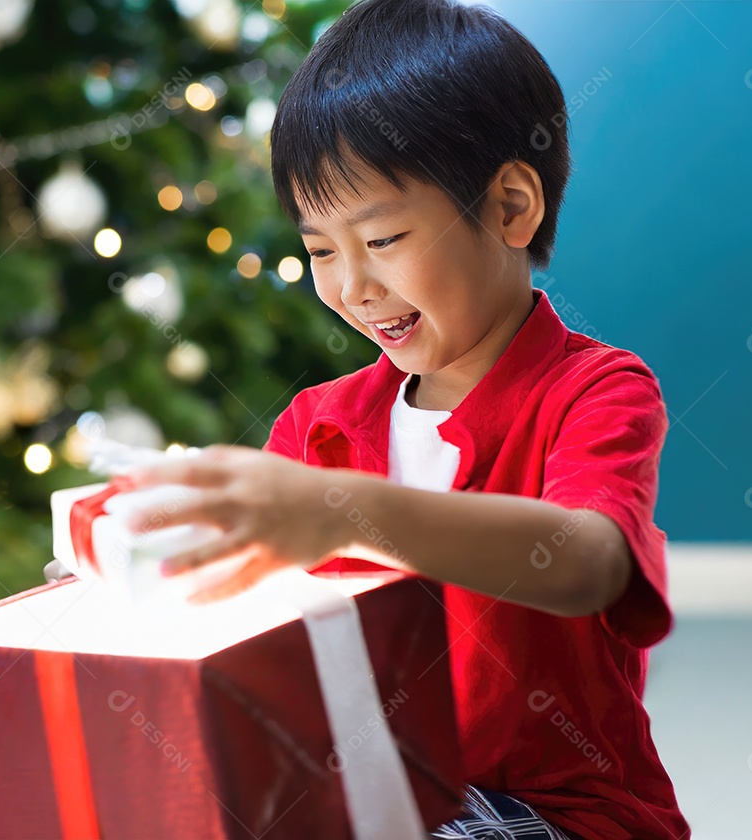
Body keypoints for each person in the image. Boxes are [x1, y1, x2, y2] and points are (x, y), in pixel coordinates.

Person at [50, 0, 692, 835]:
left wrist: (337, 515)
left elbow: (586, 561)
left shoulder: (595, 390)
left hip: (555, 814)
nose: (352, 287)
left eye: (383, 238)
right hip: (371, 803)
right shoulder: (318, 425)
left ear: (509, 207)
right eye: (320, 250)